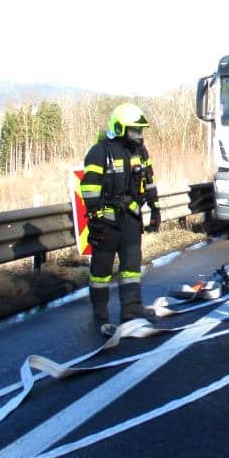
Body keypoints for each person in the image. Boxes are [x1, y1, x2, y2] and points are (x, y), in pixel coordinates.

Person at [80, 102, 160, 325]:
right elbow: (89, 187)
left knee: (132, 266)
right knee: (101, 268)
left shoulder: (140, 152)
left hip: (131, 217)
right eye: (134, 130)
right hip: (106, 220)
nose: (139, 135)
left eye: (140, 130)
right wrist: (94, 219)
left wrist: (155, 208)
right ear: (119, 128)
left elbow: (149, 181)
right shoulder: (99, 152)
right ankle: (100, 310)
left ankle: (131, 309)